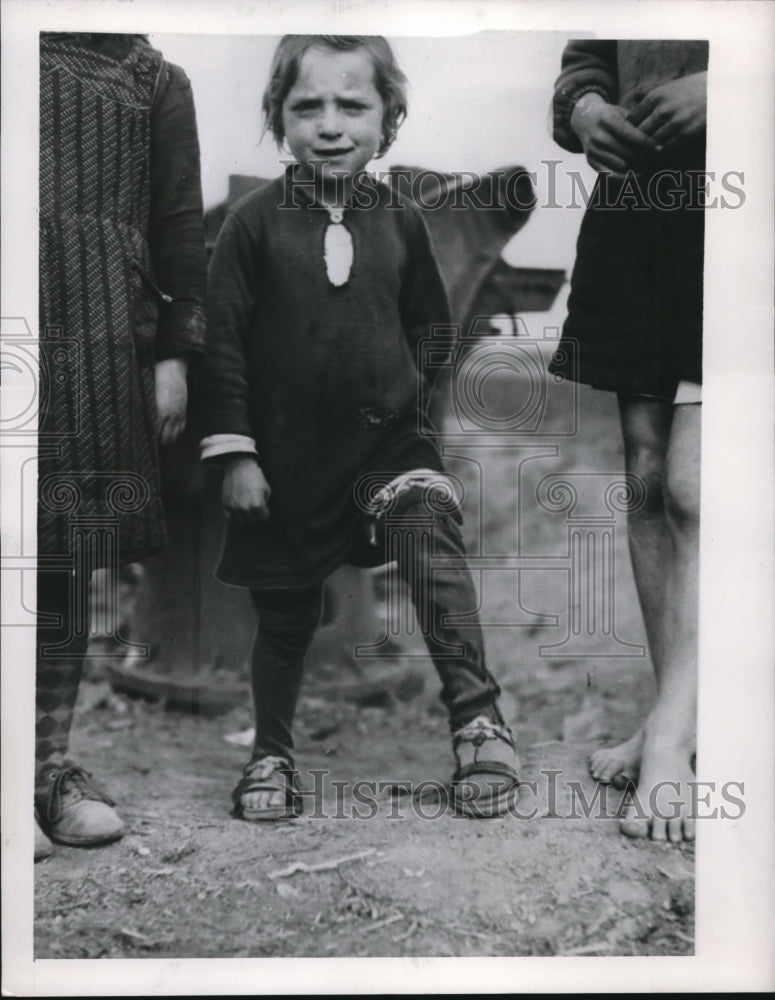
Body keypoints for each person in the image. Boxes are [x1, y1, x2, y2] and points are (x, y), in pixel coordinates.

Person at [200, 34, 519, 822]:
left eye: (353, 104)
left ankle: (477, 720)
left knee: (430, 547)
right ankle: (270, 754)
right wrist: (236, 450)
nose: (330, 124)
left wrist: (417, 430)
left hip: (387, 446)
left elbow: (430, 334)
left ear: (389, 118)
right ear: (278, 117)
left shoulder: (401, 221)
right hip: (285, 457)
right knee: (285, 614)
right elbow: (223, 346)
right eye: (307, 106)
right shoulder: (251, 226)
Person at [35, 33, 207, 859]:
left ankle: (42, 769)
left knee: (66, 549)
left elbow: (179, 229)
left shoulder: (157, 82)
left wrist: (174, 354)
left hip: (103, 323)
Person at [549, 40, 708, 843]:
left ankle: (672, 750)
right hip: (637, 217)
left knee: (695, 489)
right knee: (644, 479)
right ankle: (671, 717)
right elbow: (583, 59)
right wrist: (583, 110)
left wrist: (730, 84)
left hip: (733, 219)